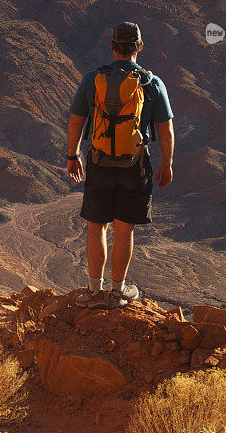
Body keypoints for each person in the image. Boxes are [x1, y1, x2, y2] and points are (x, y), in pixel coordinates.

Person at [67, 21, 174, 309]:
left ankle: (92, 291)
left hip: (100, 163)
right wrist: (167, 163)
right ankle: (117, 292)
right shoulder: (152, 83)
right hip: (135, 165)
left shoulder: (93, 79)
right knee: (124, 229)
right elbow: (165, 129)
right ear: (140, 47)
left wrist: (73, 155)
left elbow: (77, 120)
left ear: (112, 46)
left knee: (95, 227)